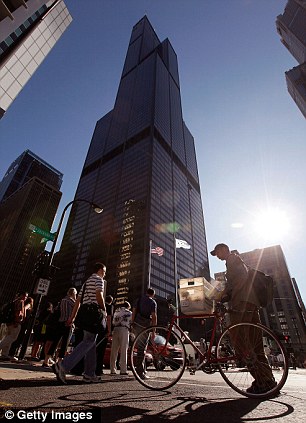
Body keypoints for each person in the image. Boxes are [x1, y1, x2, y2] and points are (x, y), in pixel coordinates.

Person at [210, 243, 277, 394]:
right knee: (255, 343)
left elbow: (240, 279)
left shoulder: (233, 259)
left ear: (224, 249)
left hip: (241, 303)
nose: (218, 256)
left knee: (240, 341)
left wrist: (227, 296)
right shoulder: (235, 261)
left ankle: (262, 382)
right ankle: (268, 380)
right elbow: (238, 280)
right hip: (251, 303)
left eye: (218, 252)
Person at [52, 263, 107, 384]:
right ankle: (63, 365)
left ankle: (89, 374)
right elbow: (99, 295)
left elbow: (78, 301)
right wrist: (104, 309)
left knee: (91, 343)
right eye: (104, 271)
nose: (104, 274)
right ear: (99, 270)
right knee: (89, 341)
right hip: (93, 313)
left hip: (84, 314)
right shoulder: (99, 280)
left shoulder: (86, 283)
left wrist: (72, 317)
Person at [42, 288, 77, 367]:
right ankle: (60, 361)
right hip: (68, 324)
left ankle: (46, 359)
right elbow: (77, 309)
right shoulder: (71, 301)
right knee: (65, 343)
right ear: (73, 293)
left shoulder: (62, 300)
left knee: (55, 342)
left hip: (60, 323)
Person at [131, 288, 157, 379]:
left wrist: (132, 323)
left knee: (139, 348)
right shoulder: (152, 302)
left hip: (137, 325)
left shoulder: (138, 299)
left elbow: (134, 311)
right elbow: (154, 316)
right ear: (152, 294)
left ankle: (142, 370)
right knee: (142, 349)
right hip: (145, 327)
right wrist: (154, 330)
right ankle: (140, 372)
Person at [0, 292, 28, 361]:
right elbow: (18, 312)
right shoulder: (20, 302)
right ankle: (3, 352)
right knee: (12, 338)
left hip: (9, 322)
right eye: (24, 296)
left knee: (8, 337)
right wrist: (17, 321)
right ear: (20, 296)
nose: (25, 297)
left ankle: (4, 354)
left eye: (26, 296)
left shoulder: (14, 301)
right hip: (15, 322)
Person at [110, 301, 132, 375]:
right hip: (124, 330)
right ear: (128, 306)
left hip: (116, 329)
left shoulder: (116, 311)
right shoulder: (129, 313)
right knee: (123, 350)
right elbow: (131, 322)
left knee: (114, 350)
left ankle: (112, 369)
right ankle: (123, 370)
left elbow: (113, 322)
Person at [96, 295, 114, 376]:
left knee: (95, 349)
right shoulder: (109, 307)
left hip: (97, 329)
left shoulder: (99, 305)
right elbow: (109, 318)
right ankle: (99, 369)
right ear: (111, 301)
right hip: (104, 330)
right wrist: (109, 330)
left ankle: (92, 367)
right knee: (101, 351)